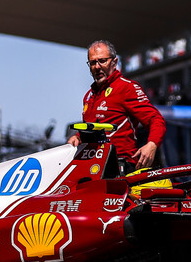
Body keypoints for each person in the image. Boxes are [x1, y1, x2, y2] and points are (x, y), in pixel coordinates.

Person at [67, 40, 166, 172]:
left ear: (114, 62)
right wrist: (78, 137)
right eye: (93, 63)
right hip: (92, 167)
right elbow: (95, 129)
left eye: (102, 61)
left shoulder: (127, 88)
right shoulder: (88, 96)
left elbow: (156, 120)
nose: (97, 67)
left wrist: (152, 145)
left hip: (120, 167)